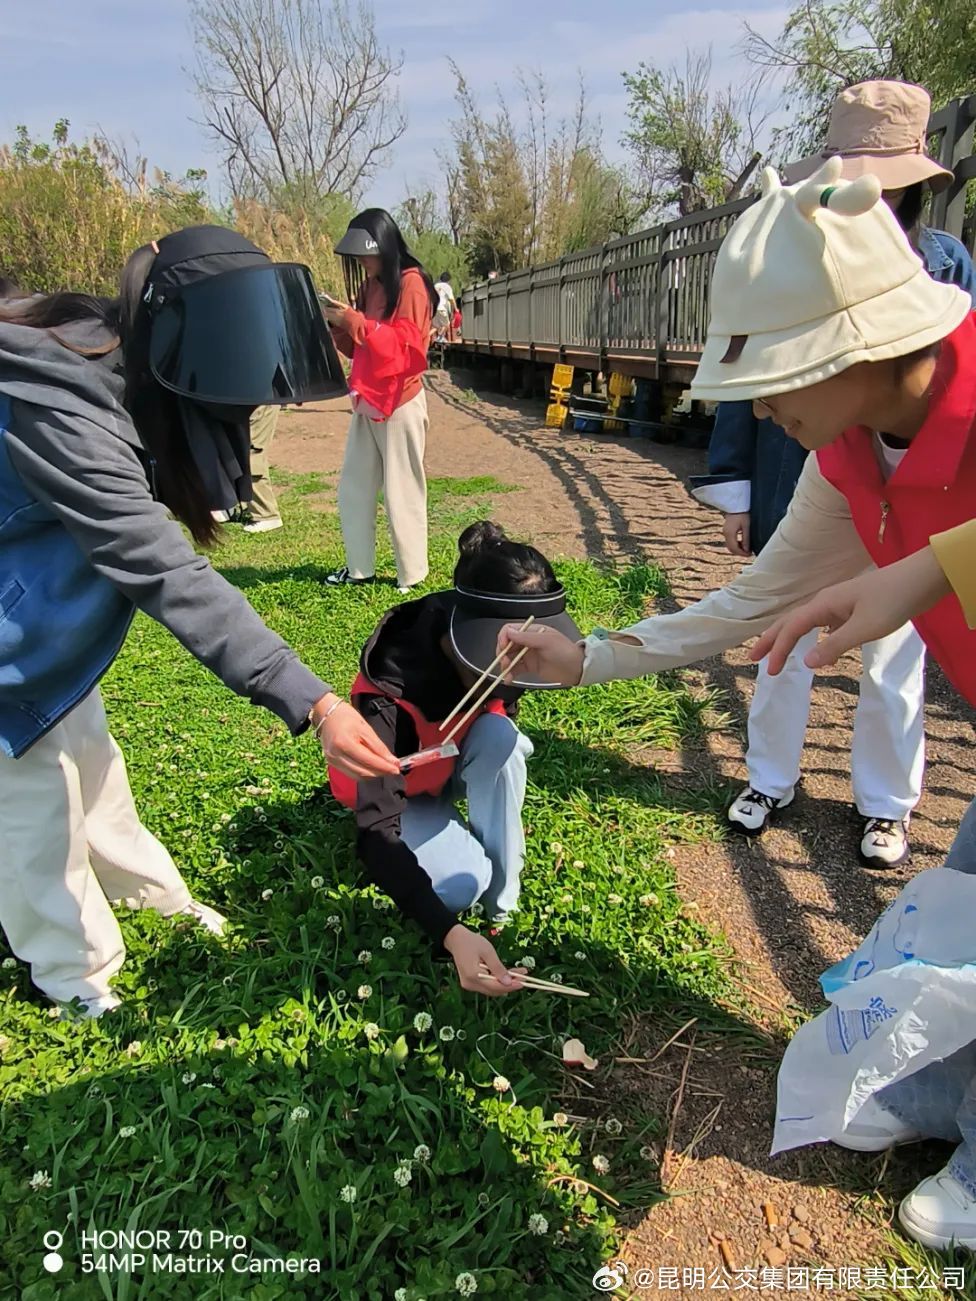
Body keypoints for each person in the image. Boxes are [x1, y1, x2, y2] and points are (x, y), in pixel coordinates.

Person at [0, 225, 401, 1018]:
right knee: (33, 800)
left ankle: (156, 900)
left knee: (93, 765)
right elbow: (163, 569)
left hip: (40, 634)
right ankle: (78, 975)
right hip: (9, 652)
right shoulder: (64, 403)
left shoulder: (119, 358)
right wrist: (316, 702)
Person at [692, 80, 976, 868]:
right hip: (824, 490)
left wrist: (926, 572)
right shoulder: (795, 272)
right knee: (784, 636)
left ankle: (886, 804)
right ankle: (771, 777)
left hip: (919, 512)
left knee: (894, 658)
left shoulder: (946, 274)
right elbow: (748, 381)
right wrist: (737, 488)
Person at [327, 520, 581, 996]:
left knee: (502, 740)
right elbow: (377, 831)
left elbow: (499, 714)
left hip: (450, 763)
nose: (514, 671)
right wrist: (449, 933)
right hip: (399, 792)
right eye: (504, 655)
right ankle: (471, 876)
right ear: (469, 632)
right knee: (461, 884)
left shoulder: (503, 659)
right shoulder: (392, 689)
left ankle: (503, 905)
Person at [323, 209, 437, 594]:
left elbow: (406, 347)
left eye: (366, 256)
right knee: (353, 487)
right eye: (357, 258)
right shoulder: (371, 286)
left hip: (401, 400)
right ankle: (360, 569)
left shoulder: (411, 285)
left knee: (402, 489)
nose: (362, 264)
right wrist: (336, 326)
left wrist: (356, 322)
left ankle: (412, 574)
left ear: (384, 248)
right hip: (369, 399)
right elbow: (363, 348)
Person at [433, 272, 457, 343]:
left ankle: (428, 337)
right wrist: (455, 309)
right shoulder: (447, 286)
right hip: (442, 308)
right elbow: (451, 299)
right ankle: (440, 337)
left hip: (434, 308)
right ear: (448, 280)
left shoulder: (436, 285)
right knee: (447, 324)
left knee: (437, 326)